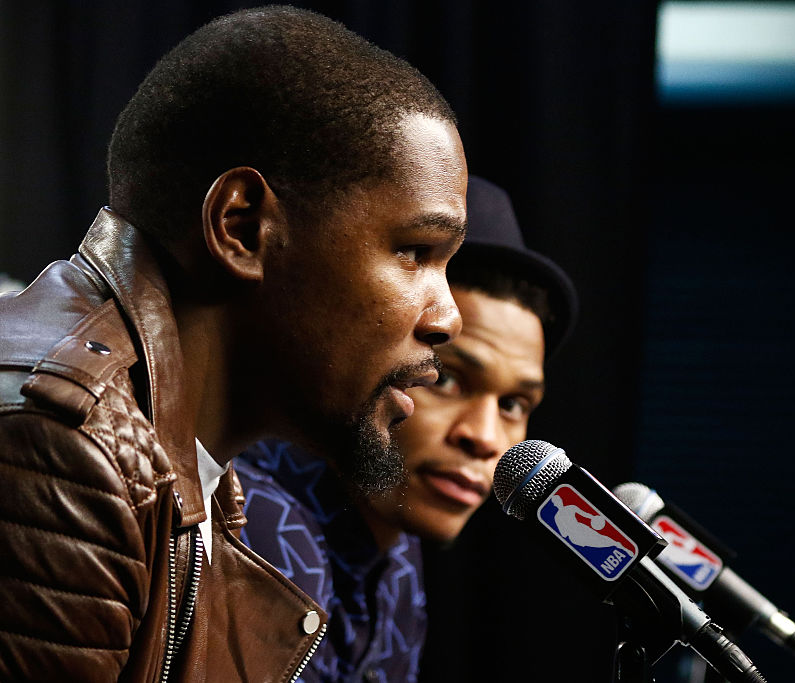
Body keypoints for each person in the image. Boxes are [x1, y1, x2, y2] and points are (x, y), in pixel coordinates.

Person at [0, 6, 467, 682]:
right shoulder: (67, 446)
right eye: (415, 251)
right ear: (242, 227)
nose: (447, 317)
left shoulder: (193, 470)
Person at [234, 175, 578, 682]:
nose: (484, 438)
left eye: (512, 404)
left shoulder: (397, 552)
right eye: (446, 377)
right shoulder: (249, 523)